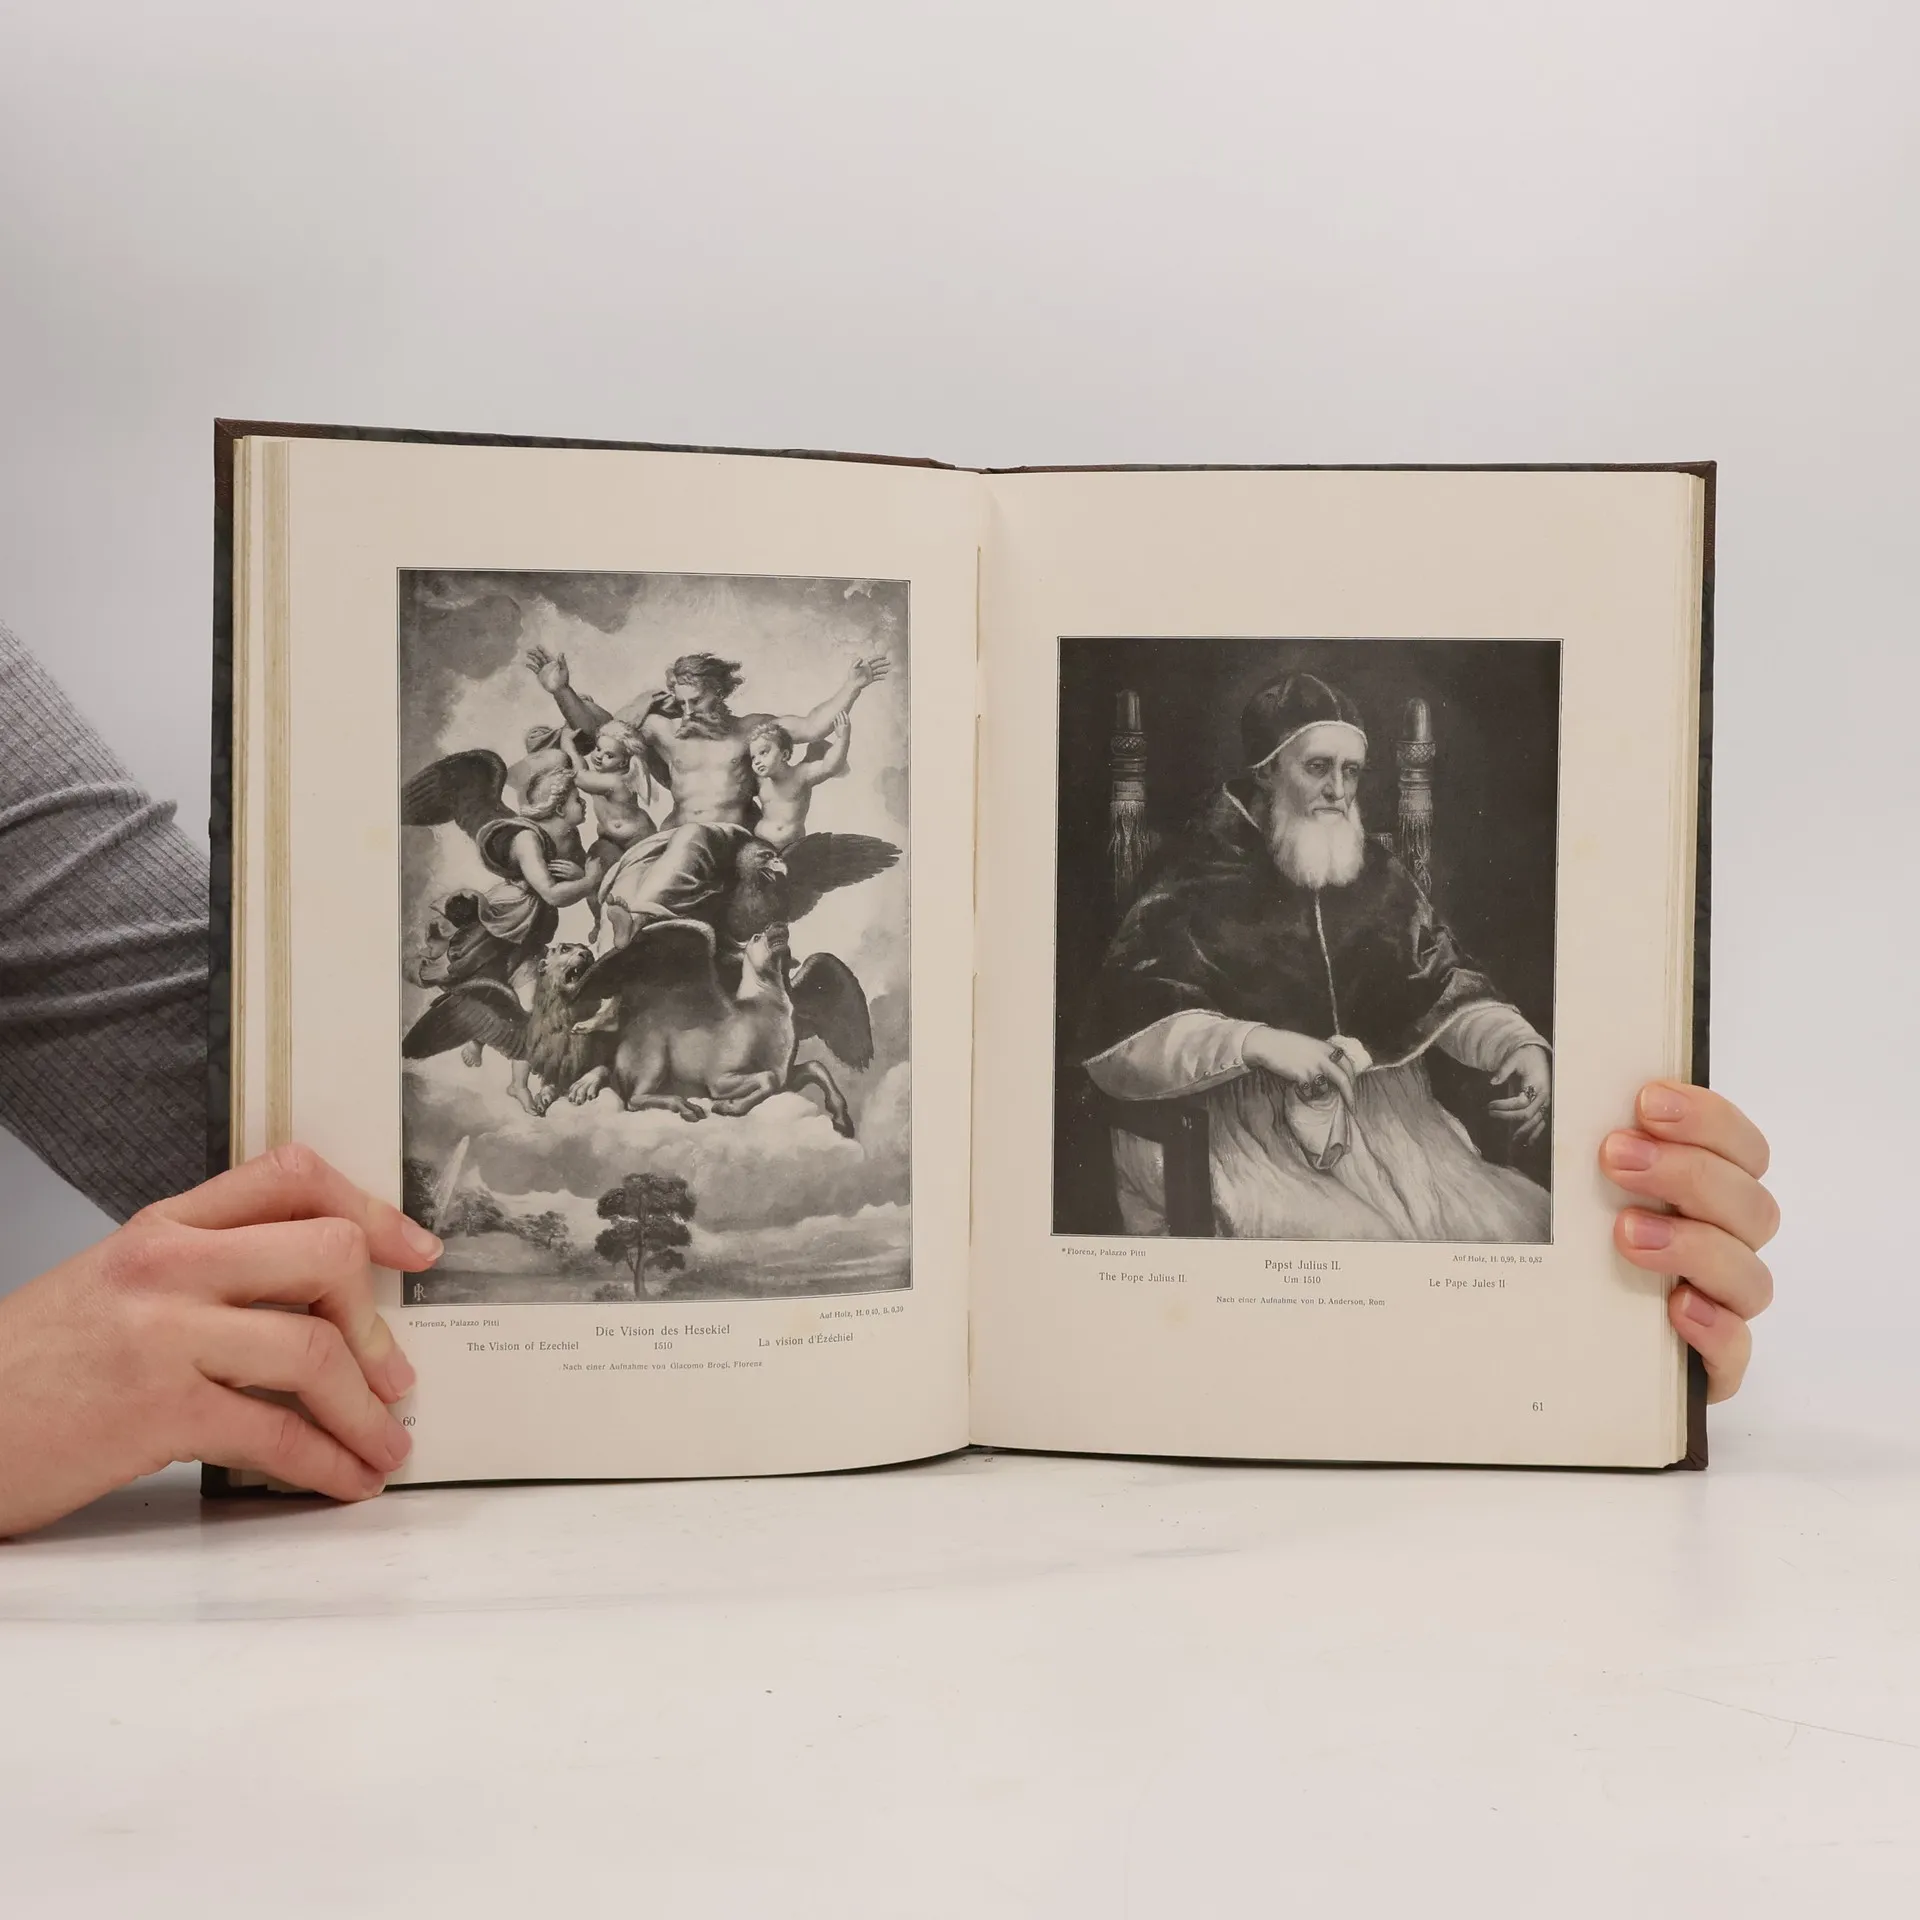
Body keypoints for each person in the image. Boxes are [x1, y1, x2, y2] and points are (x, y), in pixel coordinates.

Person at [0, 622, 1776, 1537]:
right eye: (1314, 770)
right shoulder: (1184, 893)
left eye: (1353, 772)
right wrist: (1254, 1046)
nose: (1340, 794)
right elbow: (1129, 1042)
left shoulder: (1380, 884)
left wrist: (1586, 1286)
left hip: (1375, 1144)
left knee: (1512, 1216)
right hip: (1227, 1132)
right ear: (1255, 788)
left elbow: (212, 1107)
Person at [522, 646, 887, 950]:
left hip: (728, 841)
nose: (687, 711)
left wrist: (853, 686)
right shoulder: (664, 731)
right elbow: (604, 734)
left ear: (719, 691)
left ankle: (638, 917)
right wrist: (561, 691)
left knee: (693, 834)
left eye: (696, 701)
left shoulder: (750, 731)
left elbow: (811, 726)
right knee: (623, 881)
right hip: (670, 839)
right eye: (681, 703)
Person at [746, 710, 851, 853]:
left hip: (792, 849)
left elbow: (830, 767)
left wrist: (842, 738)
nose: (757, 761)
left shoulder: (801, 774)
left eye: (764, 752)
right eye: (753, 757)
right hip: (760, 846)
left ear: (784, 755)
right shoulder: (760, 781)